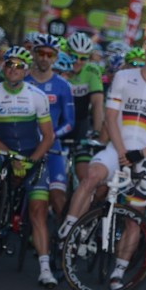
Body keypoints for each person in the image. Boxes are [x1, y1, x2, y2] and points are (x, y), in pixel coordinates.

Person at [59, 32, 146, 290]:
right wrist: (122, 150)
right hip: (116, 147)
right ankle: (68, 229)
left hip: (144, 154)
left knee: (135, 216)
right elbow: (110, 116)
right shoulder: (124, 77)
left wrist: (141, 153)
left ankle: (119, 271)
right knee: (92, 175)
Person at [0, 46, 56, 286]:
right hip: (0, 150)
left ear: (26, 70)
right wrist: (12, 157)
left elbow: (48, 137)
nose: (13, 69)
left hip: (31, 154)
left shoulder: (37, 96)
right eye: (9, 64)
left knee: (38, 210)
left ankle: (45, 269)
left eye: (19, 66)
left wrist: (31, 161)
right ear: (3, 66)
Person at [25, 34, 75, 218]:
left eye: (50, 54)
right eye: (41, 53)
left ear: (55, 57)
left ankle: (64, 235)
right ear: (33, 53)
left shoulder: (63, 86)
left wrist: (52, 136)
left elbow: (69, 123)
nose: (45, 58)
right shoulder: (22, 80)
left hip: (52, 146)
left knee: (57, 197)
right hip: (23, 143)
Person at [63, 32, 104, 182]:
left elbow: (97, 103)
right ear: (67, 53)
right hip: (58, 125)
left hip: (81, 125)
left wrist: (97, 132)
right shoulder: (59, 67)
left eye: (83, 58)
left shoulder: (92, 70)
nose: (78, 61)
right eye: (74, 56)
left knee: (83, 175)